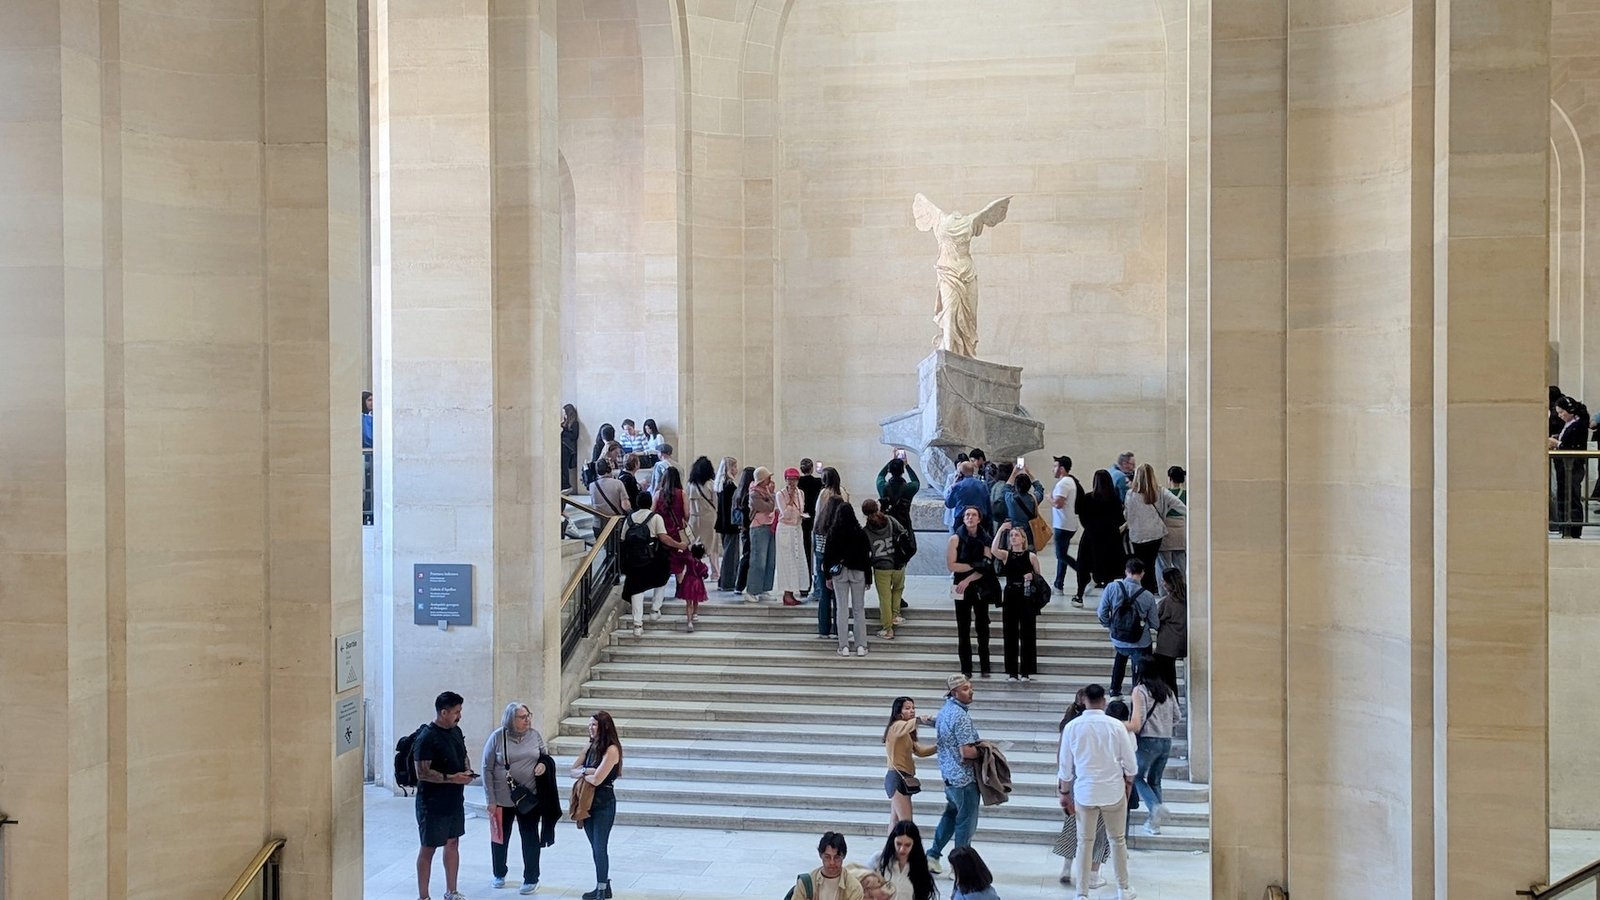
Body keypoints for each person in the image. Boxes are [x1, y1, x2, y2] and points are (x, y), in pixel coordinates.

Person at [1058, 683, 1137, 900]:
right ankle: (1123, 888)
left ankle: (1082, 893)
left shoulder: (1072, 727)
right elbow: (1131, 765)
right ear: (1103, 701)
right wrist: (1128, 784)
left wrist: (1064, 793)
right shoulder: (1116, 726)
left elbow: (1065, 767)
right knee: (1117, 840)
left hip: (1085, 792)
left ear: (1085, 701)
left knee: (1084, 842)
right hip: (1113, 790)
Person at [481, 702, 551, 894]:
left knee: (530, 836)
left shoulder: (534, 735)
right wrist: (490, 799)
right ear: (511, 719)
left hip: (528, 797)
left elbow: (545, 756)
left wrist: (544, 765)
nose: (527, 720)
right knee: (500, 837)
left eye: (528, 715)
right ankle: (499, 873)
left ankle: (531, 878)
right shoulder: (497, 737)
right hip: (502, 798)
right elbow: (486, 768)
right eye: (522, 717)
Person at [413, 691, 474, 900]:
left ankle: (452, 891)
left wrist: (467, 771)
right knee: (428, 848)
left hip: (454, 800)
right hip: (432, 803)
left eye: (460, 711)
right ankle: (424, 896)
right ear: (443, 712)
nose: (460, 716)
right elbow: (422, 772)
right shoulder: (427, 737)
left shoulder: (456, 731)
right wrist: (452, 778)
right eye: (456, 712)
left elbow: (463, 754)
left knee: (453, 842)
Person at [1052, 689, 1111, 890]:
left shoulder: (1070, 725)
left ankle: (1067, 866)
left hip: (1074, 781)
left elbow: (1062, 759)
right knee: (1099, 829)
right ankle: (1092, 874)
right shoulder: (1105, 725)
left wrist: (1063, 788)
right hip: (1099, 781)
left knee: (1072, 825)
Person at [926, 674, 982, 874]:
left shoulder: (945, 710)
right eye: (966, 689)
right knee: (965, 824)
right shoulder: (961, 716)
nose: (971, 691)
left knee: (950, 815)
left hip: (949, 776)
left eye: (970, 687)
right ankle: (960, 868)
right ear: (954, 692)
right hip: (964, 779)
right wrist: (986, 750)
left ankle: (932, 855)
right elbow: (966, 752)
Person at [571, 711, 623, 900]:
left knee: (600, 847)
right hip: (587, 803)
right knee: (594, 847)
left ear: (605, 727)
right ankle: (604, 885)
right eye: (589, 724)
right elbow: (572, 770)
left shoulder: (612, 750)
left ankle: (601, 889)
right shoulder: (589, 746)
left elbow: (598, 779)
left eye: (594, 725)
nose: (590, 728)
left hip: (603, 803)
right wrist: (588, 770)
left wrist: (586, 773)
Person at [620, 490, 686, 637]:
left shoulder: (629, 519)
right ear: (650, 503)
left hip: (634, 560)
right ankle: (655, 610)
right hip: (652, 559)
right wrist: (679, 545)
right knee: (662, 578)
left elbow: (623, 539)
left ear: (637, 503)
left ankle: (637, 625)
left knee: (636, 590)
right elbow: (663, 538)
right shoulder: (655, 517)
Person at [1123, 670, 1180, 835]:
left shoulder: (1140, 690)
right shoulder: (1168, 691)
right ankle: (1154, 824)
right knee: (1155, 781)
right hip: (1166, 740)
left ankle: (1155, 806)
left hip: (1148, 740)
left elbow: (1138, 721)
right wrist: (1164, 726)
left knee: (1136, 776)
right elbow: (1177, 716)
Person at [1097, 557, 1159, 698]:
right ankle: (1137, 695)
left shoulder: (1112, 587)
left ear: (1126, 571)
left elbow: (1101, 612)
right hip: (1140, 640)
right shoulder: (1148, 596)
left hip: (1118, 638)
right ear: (1142, 573)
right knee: (1140, 667)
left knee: (1120, 658)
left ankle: (1115, 690)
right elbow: (1155, 623)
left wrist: (1110, 625)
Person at [946, 506, 995, 678]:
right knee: (963, 627)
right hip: (959, 586)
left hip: (979, 584)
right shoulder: (955, 539)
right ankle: (966, 667)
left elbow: (987, 565)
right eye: (967, 514)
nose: (970, 517)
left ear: (979, 519)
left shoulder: (986, 538)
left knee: (982, 626)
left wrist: (969, 578)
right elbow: (952, 565)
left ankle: (985, 666)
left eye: (974, 515)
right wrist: (975, 565)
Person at [990, 522, 1042, 682]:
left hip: (1026, 596)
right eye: (1011, 535)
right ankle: (1012, 672)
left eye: (1016, 535)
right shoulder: (1007, 555)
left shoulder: (1031, 556)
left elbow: (1040, 579)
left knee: (1028, 633)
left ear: (1023, 539)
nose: (1013, 537)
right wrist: (1001, 530)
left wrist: (1032, 576)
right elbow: (993, 550)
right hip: (1011, 595)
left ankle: (1026, 671)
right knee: (1010, 633)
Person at [1124, 463, 1185, 592]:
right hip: (1155, 534)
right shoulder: (1161, 491)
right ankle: (1151, 591)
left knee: (1140, 564)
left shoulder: (1130, 494)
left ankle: (1139, 590)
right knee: (1151, 564)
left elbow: (1127, 515)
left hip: (1137, 535)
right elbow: (1180, 505)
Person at [826, 501, 873, 656]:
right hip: (858, 572)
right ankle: (861, 646)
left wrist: (827, 576)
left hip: (839, 574)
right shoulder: (860, 533)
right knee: (859, 609)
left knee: (842, 609)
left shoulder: (833, 533)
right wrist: (868, 578)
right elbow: (867, 557)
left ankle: (844, 646)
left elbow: (827, 557)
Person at [1074, 470, 1127, 608]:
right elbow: (1120, 519)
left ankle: (1079, 595)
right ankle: (1109, 600)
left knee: (1084, 567)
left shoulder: (1087, 498)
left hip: (1091, 538)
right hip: (1111, 538)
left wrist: (1092, 528)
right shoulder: (1115, 500)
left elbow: (1083, 518)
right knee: (1110, 569)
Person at [881, 697, 936, 828]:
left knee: (895, 821)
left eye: (913, 708)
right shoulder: (896, 726)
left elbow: (920, 751)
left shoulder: (906, 732)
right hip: (897, 778)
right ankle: (902, 841)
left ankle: (891, 842)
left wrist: (938, 747)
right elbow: (905, 726)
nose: (912, 711)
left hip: (903, 778)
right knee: (906, 822)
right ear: (898, 711)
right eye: (907, 708)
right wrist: (919, 720)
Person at [653, 468, 695, 620]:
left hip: (662, 532)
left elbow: (652, 512)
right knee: (679, 563)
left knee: (664, 561)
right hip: (677, 532)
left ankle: (660, 593)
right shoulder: (682, 494)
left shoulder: (658, 494)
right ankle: (680, 588)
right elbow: (687, 514)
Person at [863, 499, 908, 639]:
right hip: (898, 562)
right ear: (877, 507)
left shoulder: (866, 531)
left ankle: (888, 629)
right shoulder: (889, 520)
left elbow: (866, 552)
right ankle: (895, 615)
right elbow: (903, 532)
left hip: (881, 566)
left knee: (884, 598)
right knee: (898, 589)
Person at [813, 467, 849, 639]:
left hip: (822, 553)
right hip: (835, 556)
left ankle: (823, 629)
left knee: (824, 594)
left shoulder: (823, 496)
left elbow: (817, 513)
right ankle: (837, 629)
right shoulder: (842, 492)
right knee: (837, 595)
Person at [1551, 395, 1590, 538]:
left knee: (1572, 496)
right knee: (1563, 495)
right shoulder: (1569, 424)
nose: (1560, 416)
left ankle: (1573, 529)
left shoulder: (1578, 424)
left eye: (1562, 412)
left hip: (1573, 466)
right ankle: (1564, 527)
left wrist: (1557, 444)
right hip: (1563, 466)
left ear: (1570, 410)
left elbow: (1573, 445)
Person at [872, 821, 937, 900]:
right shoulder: (878, 860)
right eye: (898, 844)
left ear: (914, 845)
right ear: (892, 841)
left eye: (907, 845)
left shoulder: (921, 867)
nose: (902, 849)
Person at [775, 467, 812, 604]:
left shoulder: (800, 493)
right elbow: (785, 513)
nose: (792, 482)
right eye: (789, 479)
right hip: (785, 529)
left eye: (794, 479)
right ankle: (786, 593)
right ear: (785, 480)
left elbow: (800, 508)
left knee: (797, 560)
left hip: (797, 528)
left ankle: (793, 591)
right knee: (786, 561)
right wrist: (790, 499)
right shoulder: (780, 494)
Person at [791, 832, 864, 900]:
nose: (832, 862)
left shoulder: (854, 888)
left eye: (836, 857)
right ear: (820, 855)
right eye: (827, 857)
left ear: (844, 856)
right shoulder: (806, 884)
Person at [1149, 566, 1187, 694]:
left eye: (1163, 581)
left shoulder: (1167, 602)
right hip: (1181, 641)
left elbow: (1155, 621)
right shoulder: (1187, 597)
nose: (1162, 584)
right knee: (1170, 678)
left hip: (1166, 645)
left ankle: (1170, 702)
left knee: (1166, 678)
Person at [745, 466, 779, 601]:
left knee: (770, 561)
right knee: (758, 560)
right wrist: (772, 496)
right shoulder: (754, 493)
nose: (770, 480)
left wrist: (770, 496)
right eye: (767, 478)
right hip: (759, 527)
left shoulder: (766, 491)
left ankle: (765, 589)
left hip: (770, 526)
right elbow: (769, 507)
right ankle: (752, 590)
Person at [1049, 455, 1082, 593]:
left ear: (1061, 469)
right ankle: (1058, 584)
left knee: (1061, 555)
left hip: (1062, 525)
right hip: (1067, 524)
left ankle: (1086, 573)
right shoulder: (1069, 481)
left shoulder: (1063, 483)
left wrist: (1049, 498)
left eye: (1055, 466)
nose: (1053, 469)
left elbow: (1058, 504)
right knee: (1062, 555)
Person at [686, 455, 720, 580]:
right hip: (709, 518)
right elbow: (716, 503)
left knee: (693, 545)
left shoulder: (690, 485)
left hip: (694, 518)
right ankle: (715, 573)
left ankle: (693, 570)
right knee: (712, 546)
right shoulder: (711, 484)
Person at [714, 457, 742, 592]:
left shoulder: (720, 485)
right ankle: (728, 582)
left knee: (728, 553)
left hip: (723, 523)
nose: (737, 469)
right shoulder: (730, 486)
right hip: (731, 524)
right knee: (731, 555)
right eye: (735, 467)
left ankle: (724, 581)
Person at [1001, 468, 1045, 549]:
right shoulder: (1033, 499)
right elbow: (1039, 488)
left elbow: (1005, 488)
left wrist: (1014, 473)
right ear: (1029, 486)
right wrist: (1029, 473)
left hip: (1013, 534)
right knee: (1030, 554)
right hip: (1029, 535)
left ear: (1016, 486)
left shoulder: (1010, 498)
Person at [877, 454, 921, 533]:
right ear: (902, 471)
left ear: (889, 470)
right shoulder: (909, 488)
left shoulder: (883, 487)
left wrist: (891, 462)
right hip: (903, 523)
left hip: (887, 524)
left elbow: (880, 475)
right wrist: (906, 465)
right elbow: (916, 481)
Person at [1157, 466, 1188, 580]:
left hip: (1166, 531)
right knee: (1181, 566)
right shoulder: (1187, 494)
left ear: (1169, 478)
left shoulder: (1164, 494)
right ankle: (1181, 587)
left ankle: (1164, 588)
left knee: (1163, 566)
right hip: (1181, 531)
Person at [588, 459, 631, 540]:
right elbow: (625, 506)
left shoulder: (592, 486)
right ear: (609, 469)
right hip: (614, 523)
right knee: (615, 545)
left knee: (600, 545)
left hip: (598, 524)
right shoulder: (618, 483)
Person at [944, 461, 991, 532]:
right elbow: (987, 504)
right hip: (980, 519)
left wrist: (953, 484)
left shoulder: (958, 486)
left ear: (960, 473)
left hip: (961, 520)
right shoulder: (982, 485)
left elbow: (949, 504)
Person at [798, 458, 824, 582]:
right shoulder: (818, 482)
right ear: (812, 468)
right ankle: (817, 581)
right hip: (816, 517)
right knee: (818, 550)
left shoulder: (798, 482)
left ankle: (805, 581)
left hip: (803, 518)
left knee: (805, 549)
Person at [732, 466, 756, 594]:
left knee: (745, 555)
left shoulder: (738, 492)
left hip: (742, 528)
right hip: (749, 527)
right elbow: (747, 514)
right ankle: (740, 585)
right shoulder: (748, 494)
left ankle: (740, 585)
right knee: (748, 556)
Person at [560, 403, 580, 493]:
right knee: (562, 467)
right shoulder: (564, 423)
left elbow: (574, 436)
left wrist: (563, 432)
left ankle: (566, 485)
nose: (563, 415)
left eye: (564, 413)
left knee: (564, 467)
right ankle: (563, 485)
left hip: (567, 448)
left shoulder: (574, 423)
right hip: (563, 446)